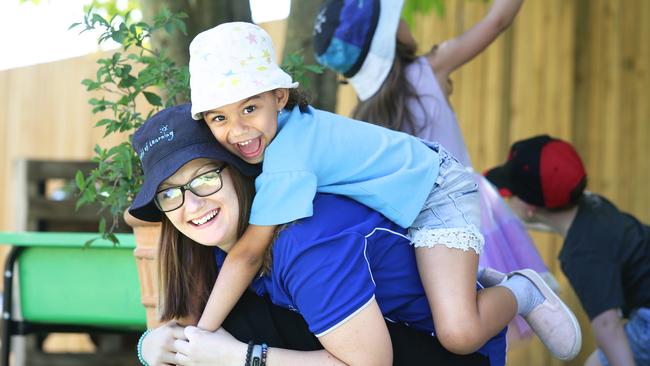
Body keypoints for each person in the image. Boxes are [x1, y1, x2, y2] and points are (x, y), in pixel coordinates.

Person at [186, 20, 581, 360]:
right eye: (219, 117)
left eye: (249, 109)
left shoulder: (289, 155)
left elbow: (249, 255)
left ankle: (521, 290)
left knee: (459, 334)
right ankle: (470, 282)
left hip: (436, 192)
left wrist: (201, 335)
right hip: (400, 201)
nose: (237, 130)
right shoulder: (277, 139)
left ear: (279, 97)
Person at [131, 103, 501, 365]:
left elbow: (370, 363)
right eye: (169, 193)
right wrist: (153, 346)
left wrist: (239, 358)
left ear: (238, 172)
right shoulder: (219, 245)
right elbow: (194, 333)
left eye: (206, 178)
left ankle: (520, 291)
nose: (191, 204)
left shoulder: (304, 240)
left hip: (437, 351)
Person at [312, 0, 559, 339]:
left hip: (421, 243)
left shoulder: (361, 122)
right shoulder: (428, 69)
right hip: (471, 216)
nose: (404, 22)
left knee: (460, 331)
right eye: (396, 19)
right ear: (389, 37)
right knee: (478, 323)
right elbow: (498, 19)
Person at [485, 134, 650, 366]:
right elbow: (540, 219)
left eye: (510, 195)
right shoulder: (594, 206)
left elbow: (607, 326)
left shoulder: (582, 256)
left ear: (529, 207)